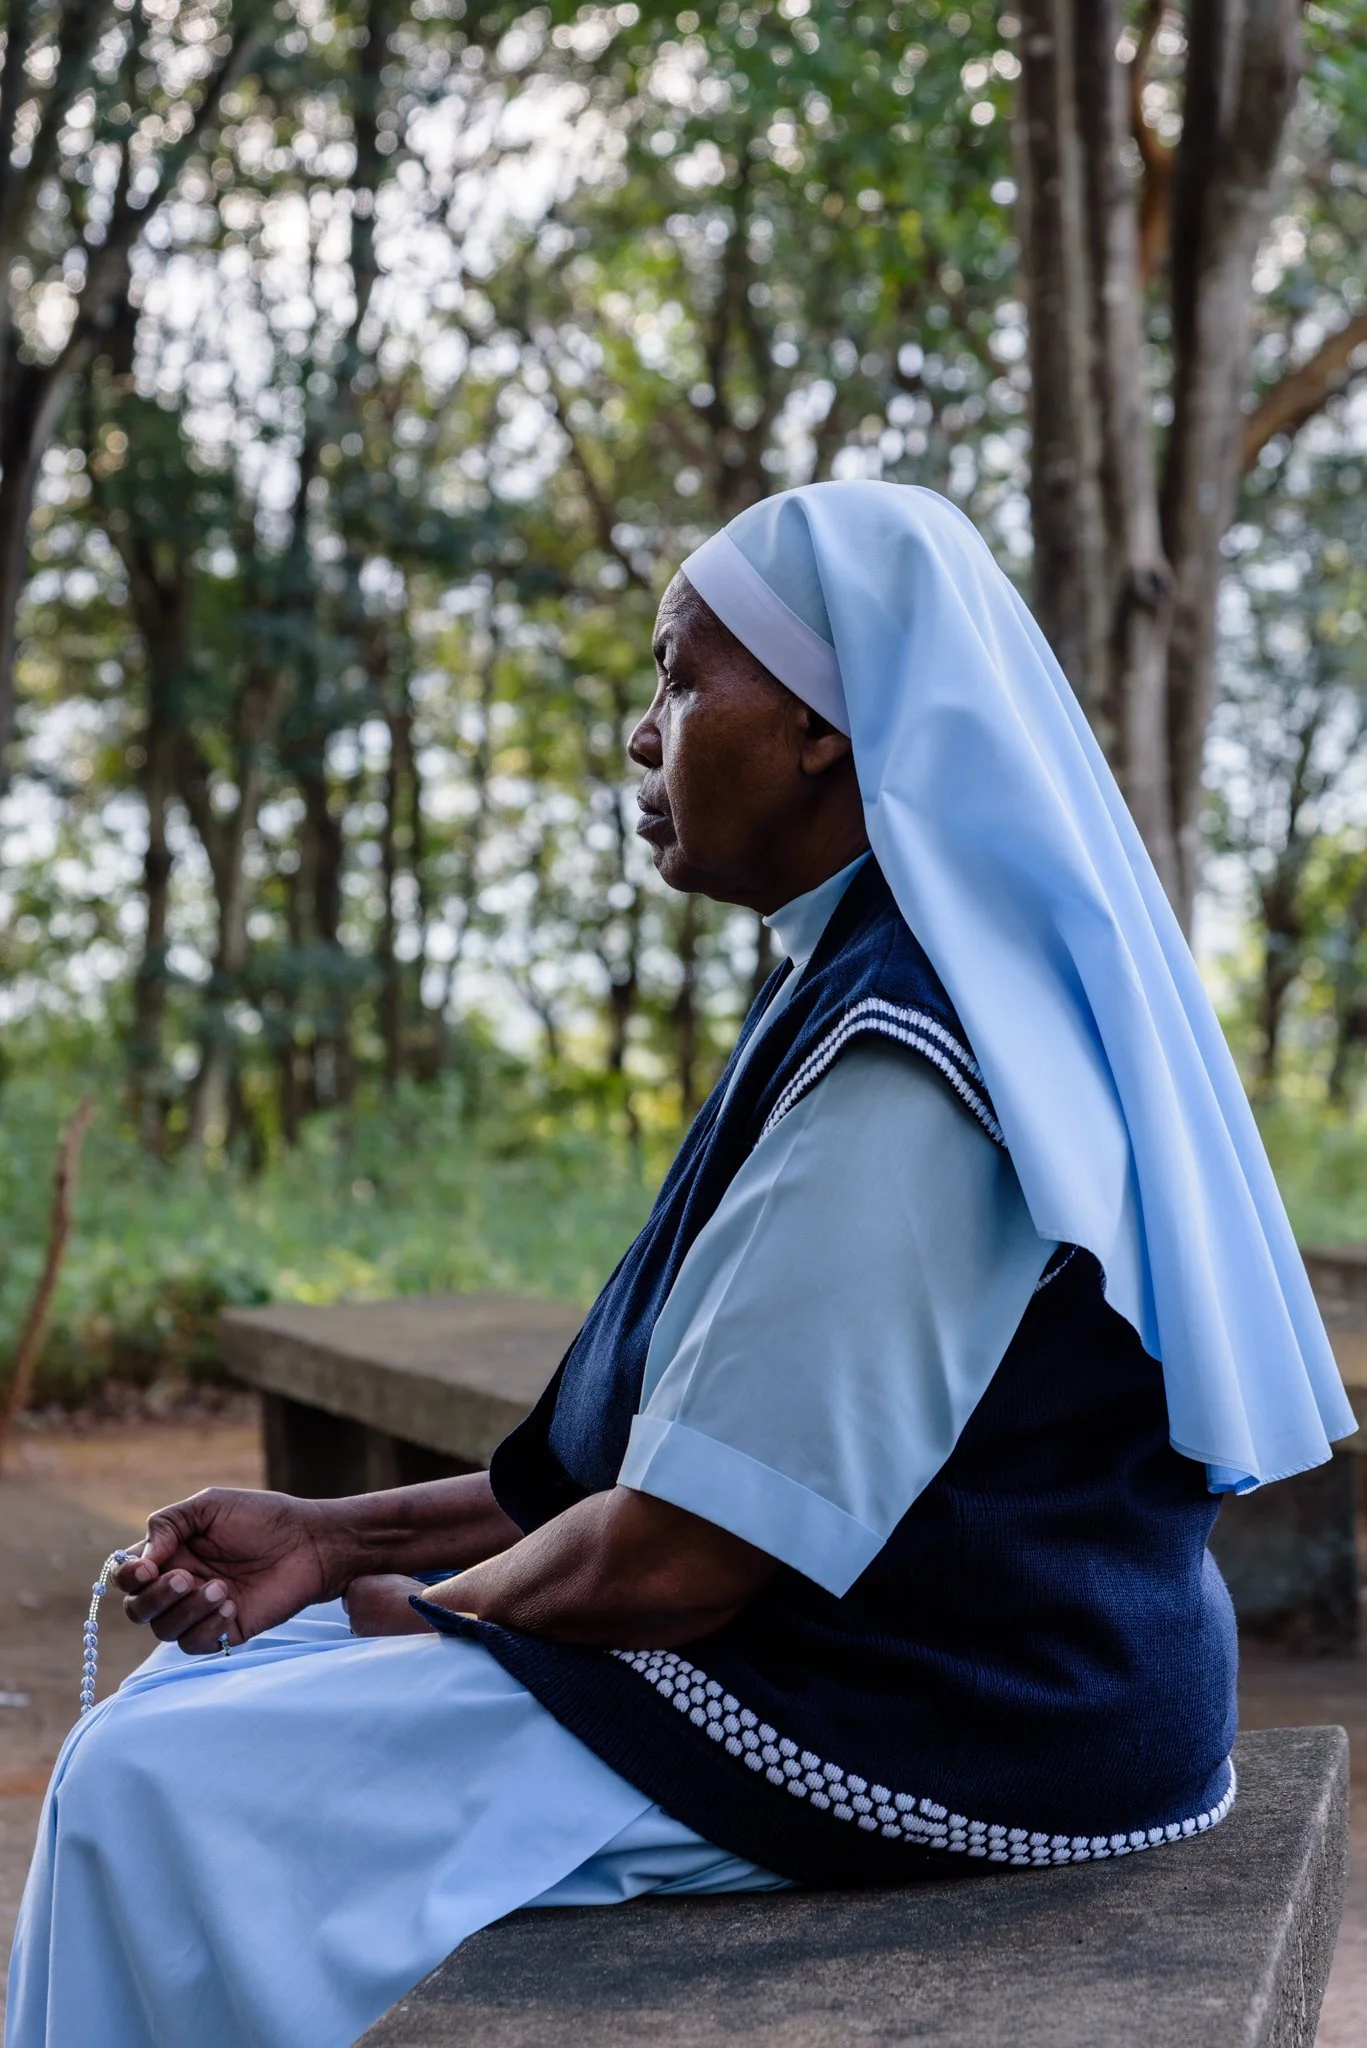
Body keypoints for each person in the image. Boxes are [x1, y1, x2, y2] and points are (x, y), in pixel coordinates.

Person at [8, 482, 1355, 2048]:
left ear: (819, 727)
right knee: (203, 1714)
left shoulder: (906, 1070)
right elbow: (694, 1463)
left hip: (956, 1726)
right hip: (944, 1673)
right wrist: (330, 1535)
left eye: (678, 675)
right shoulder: (873, 973)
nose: (644, 736)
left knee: (157, 1787)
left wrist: (427, 1605)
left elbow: (674, 1561)